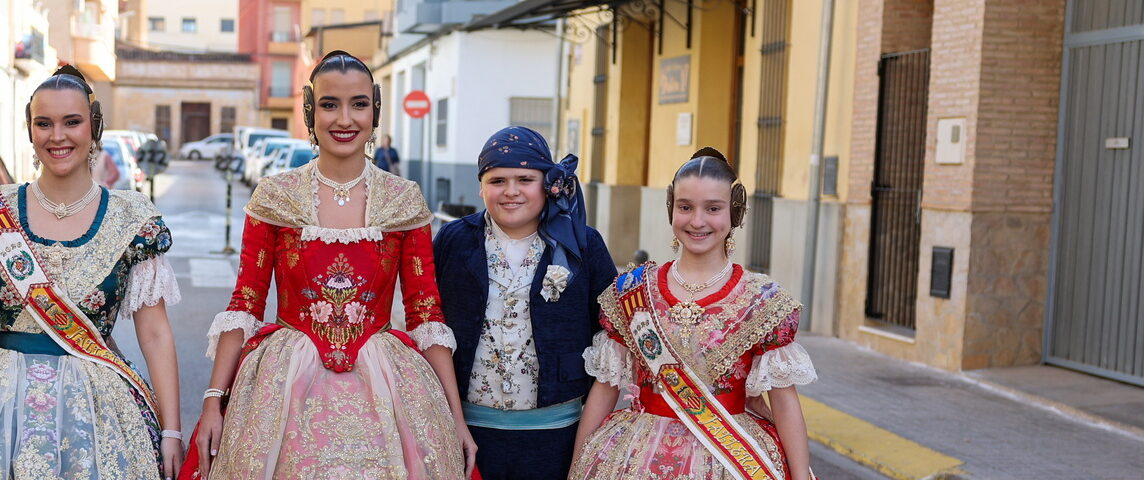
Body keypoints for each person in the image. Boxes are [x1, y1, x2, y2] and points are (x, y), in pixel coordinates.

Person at [183, 50, 477, 479]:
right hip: (285, 387)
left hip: (387, 385)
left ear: (375, 110)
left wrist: (455, 418)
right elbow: (245, 302)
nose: (345, 119)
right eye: (329, 104)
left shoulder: (403, 200)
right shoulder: (275, 196)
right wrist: (213, 400)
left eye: (358, 104)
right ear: (310, 111)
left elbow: (426, 313)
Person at [0, 65, 185, 479]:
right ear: (30, 130)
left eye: (72, 122)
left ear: (94, 128)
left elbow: (154, 333)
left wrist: (171, 430)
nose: (57, 136)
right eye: (43, 123)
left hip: (95, 414)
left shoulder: (132, 218)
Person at [569, 147, 817, 480]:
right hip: (636, 455)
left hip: (729, 456)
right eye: (685, 207)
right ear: (672, 208)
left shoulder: (763, 301)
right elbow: (604, 389)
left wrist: (801, 475)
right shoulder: (632, 291)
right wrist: (578, 464)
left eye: (713, 208)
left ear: (735, 213)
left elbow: (785, 404)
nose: (697, 221)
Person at [431, 126, 617, 479]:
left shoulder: (583, 244)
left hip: (556, 434)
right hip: (468, 432)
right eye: (497, 180)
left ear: (547, 184)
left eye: (524, 179)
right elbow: (430, 323)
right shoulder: (454, 241)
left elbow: (609, 334)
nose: (511, 191)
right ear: (481, 186)